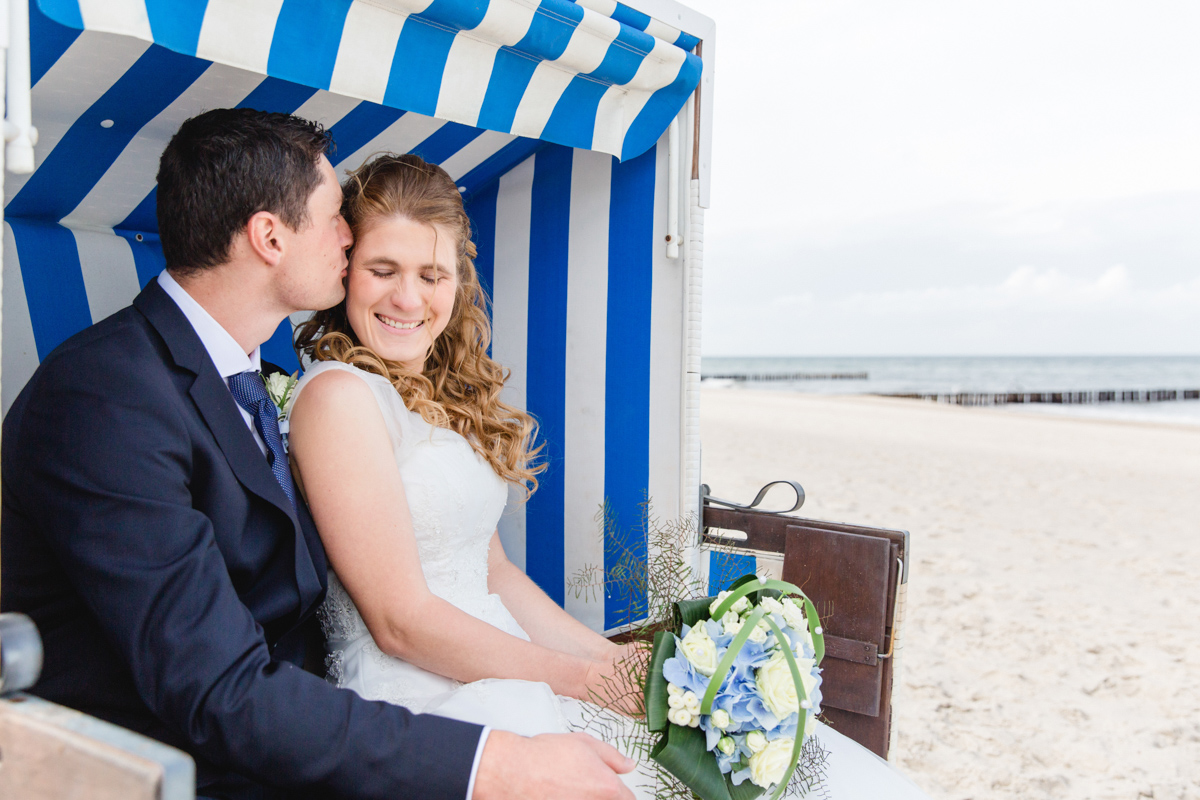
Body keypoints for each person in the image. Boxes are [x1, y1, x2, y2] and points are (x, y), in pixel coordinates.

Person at [0, 108, 634, 800]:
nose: (348, 234)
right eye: (335, 215)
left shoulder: (236, 380)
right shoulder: (107, 396)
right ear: (270, 236)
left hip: (295, 733)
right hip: (174, 771)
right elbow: (216, 690)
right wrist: (495, 763)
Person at [287, 153, 935, 800]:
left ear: (459, 282)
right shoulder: (341, 397)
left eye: (431, 274)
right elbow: (400, 620)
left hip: (504, 672)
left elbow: (495, 576)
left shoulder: (439, 396)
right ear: (347, 271)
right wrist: (581, 680)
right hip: (426, 712)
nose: (407, 297)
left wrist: (612, 660)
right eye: (383, 270)